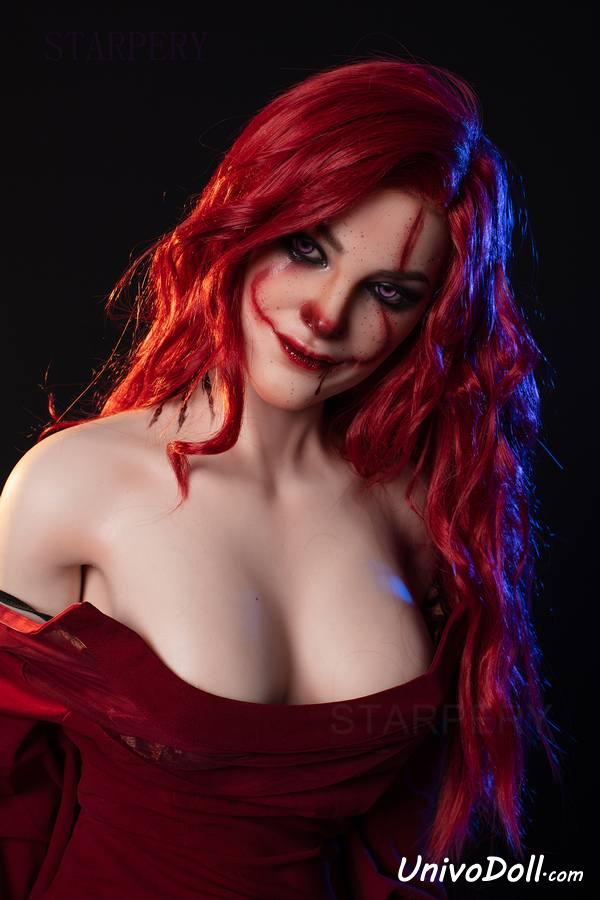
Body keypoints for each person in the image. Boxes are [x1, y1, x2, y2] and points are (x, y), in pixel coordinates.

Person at [0, 57, 561, 898]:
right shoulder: (70, 488)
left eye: (389, 292)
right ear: (245, 221)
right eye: (307, 249)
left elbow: (407, 845)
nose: (327, 315)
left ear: (430, 319)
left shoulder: (421, 512)